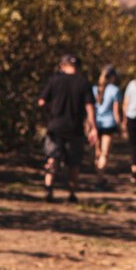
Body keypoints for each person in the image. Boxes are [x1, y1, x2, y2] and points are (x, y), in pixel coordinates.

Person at [38, 54, 97, 203]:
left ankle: (49, 187)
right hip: (75, 128)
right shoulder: (84, 83)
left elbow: (41, 102)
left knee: (52, 157)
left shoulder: (54, 81)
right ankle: (71, 192)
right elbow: (90, 107)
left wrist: (51, 111)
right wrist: (93, 128)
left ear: (62, 66)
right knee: (74, 162)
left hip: (55, 126)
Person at [92, 65, 122, 189]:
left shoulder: (94, 89)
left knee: (97, 153)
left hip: (96, 123)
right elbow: (116, 112)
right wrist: (120, 125)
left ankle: (99, 177)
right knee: (104, 153)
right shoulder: (115, 90)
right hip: (108, 125)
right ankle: (100, 179)